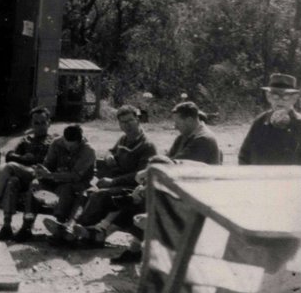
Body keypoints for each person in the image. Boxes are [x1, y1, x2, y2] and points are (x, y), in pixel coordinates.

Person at [98, 101, 222, 262]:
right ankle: (119, 240)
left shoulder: (203, 139)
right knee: (138, 198)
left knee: (141, 200)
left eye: (177, 122)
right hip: (182, 186)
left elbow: (174, 168)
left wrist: (146, 182)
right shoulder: (185, 136)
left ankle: (114, 237)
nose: (175, 126)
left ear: (190, 120)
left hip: (197, 192)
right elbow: (169, 161)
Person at [55, 105, 157, 242]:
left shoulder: (147, 145)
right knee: (87, 191)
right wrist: (109, 155)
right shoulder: (123, 139)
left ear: (138, 120)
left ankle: (75, 231)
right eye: (123, 122)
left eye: (130, 121)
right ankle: (73, 227)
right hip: (116, 182)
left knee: (99, 195)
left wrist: (113, 181)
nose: (127, 125)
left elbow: (140, 176)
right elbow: (112, 151)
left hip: (132, 189)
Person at [0, 106, 54, 241]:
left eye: (43, 122)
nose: (40, 126)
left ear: (49, 122)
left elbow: (49, 161)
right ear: (31, 124)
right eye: (36, 123)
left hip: (43, 176)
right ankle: (7, 226)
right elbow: (9, 155)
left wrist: (30, 159)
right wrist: (24, 159)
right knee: (12, 181)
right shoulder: (26, 140)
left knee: (11, 167)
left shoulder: (54, 141)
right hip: (24, 174)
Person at [35, 124, 96, 243]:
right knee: (34, 184)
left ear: (80, 141)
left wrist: (50, 175)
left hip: (81, 183)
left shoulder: (88, 150)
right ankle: (60, 229)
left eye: (72, 147)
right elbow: (48, 165)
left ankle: (61, 227)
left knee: (75, 192)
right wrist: (42, 171)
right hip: (59, 182)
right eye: (65, 144)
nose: (68, 148)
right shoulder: (57, 143)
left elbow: (75, 176)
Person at [238, 73, 301, 165]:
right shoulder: (259, 122)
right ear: (268, 97)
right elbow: (244, 156)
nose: (280, 100)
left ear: (294, 99)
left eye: (285, 97)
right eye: (275, 96)